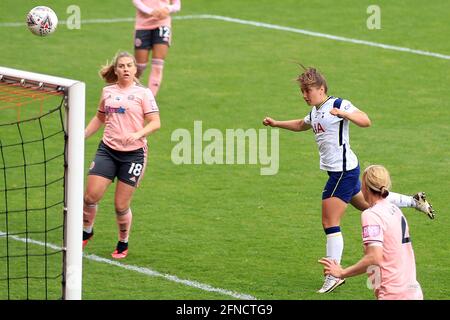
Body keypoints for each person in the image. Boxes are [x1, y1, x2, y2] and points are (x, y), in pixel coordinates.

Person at [262, 66, 434, 293]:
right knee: (367, 204)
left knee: (329, 221)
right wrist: (276, 124)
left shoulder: (338, 104)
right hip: (344, 171)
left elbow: (365, 120)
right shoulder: (316, 111)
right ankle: (414, 201)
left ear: (321, 89)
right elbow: (301, 125)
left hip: (342, 172)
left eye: (307, 91)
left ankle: (334, 275)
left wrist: (345, 114)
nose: (304, 95)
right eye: (302, 91)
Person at [83, 51, 161, 259]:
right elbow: (99, 118)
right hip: (107, 150)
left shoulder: (143, 94)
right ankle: (87, 230)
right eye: (121, 66)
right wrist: (81, 135)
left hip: (133, 155)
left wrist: (138, 133)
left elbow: (155, 122)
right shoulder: (107, 92)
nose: (126, 69)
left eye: (129, 66)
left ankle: (122, 241)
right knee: (90, 196)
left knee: (120, 205)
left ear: (135, 70)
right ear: (115, 70)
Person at [319, 165, 423, 300]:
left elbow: (374, 258)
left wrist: (341, 273)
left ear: (365, 188)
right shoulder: (395, 210)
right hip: (413, 292)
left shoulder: (371, 215)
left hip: (393, 294)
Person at [132, 0, 181, 97]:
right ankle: (131, 92)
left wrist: (168, 8)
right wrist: (150, 11)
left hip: (162, 25)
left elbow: (177, 5)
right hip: (143, 26)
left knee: (158, 64)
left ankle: (150, 100)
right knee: (140, 66)